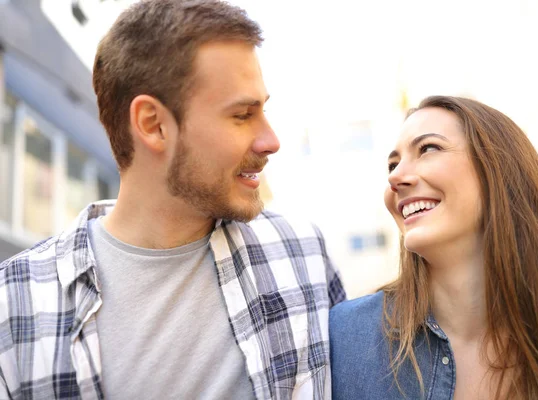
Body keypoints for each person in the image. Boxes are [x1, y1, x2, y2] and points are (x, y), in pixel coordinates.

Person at [0, 1, 346, 399]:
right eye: (242, 114)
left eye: (263, 110)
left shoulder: (303, 254)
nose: (271, 140)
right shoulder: (14, 305)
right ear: (153, 124)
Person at [330, 95, 538, 399]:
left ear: (497, 170)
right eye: (393, 164)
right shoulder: (346, 338)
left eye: (428, 148)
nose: (395, 177)